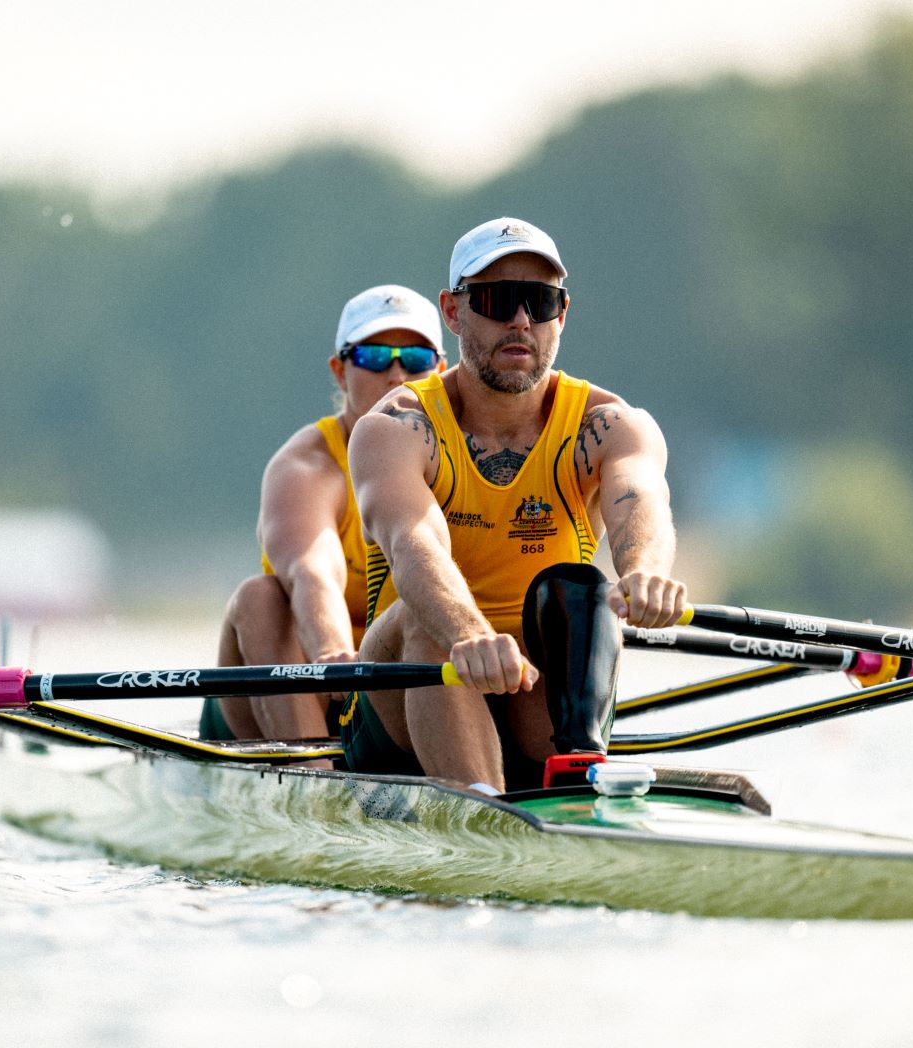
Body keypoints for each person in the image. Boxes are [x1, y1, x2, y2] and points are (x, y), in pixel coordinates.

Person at [342, 218, 687, 791]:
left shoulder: (610, 424)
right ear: (453, 311)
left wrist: (646, 574)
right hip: (403, 699)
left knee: (583, 589)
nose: (521, 320)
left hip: (532, 688)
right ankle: (484, 805)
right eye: (498, 300)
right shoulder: (397, 428)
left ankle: (576, 774)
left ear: (562, 314)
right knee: (425, 621)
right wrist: (470, 634)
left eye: (540, 301)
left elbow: (640, 499)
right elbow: (413, 545)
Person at [200, 285, 446, 743]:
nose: (396, 375)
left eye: (415, 359)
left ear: (440, 371)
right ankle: (311, 767)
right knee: (260, 597)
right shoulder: (307, 466)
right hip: (304, 682)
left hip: (387, 686)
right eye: (375, 357)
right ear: (340, 371)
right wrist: (334, 654)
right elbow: (312, 573)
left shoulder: (466, 459)